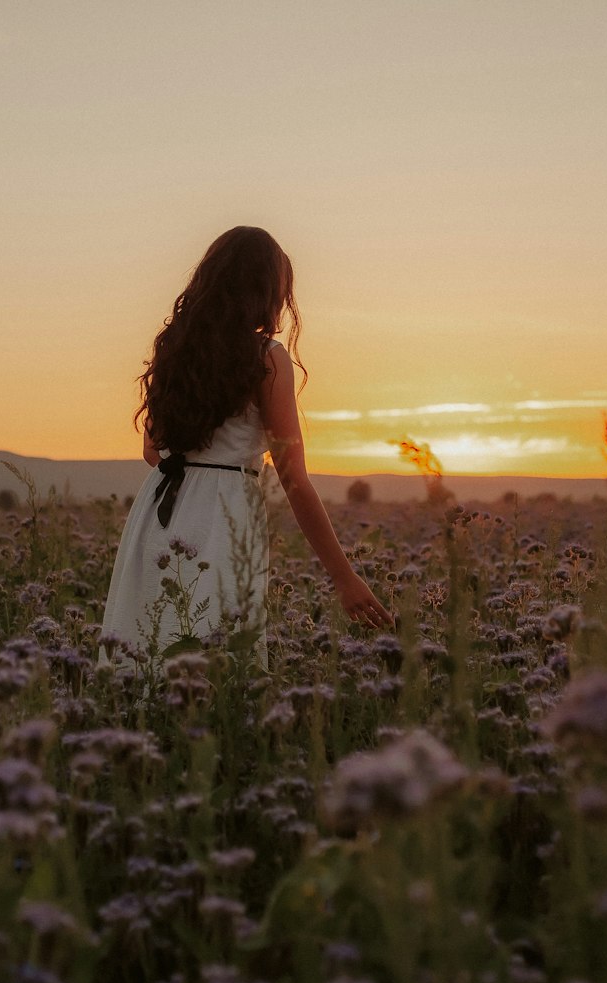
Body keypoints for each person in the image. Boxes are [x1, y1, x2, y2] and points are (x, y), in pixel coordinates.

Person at [98, 226, 394, 677]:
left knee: (150, 650)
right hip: (222, 515)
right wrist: (343, 577)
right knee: (217, 662)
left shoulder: (174, 350)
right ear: (268, 291)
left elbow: (152, 451)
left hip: (159, 509)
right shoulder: (266, 357)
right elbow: (293, 477)